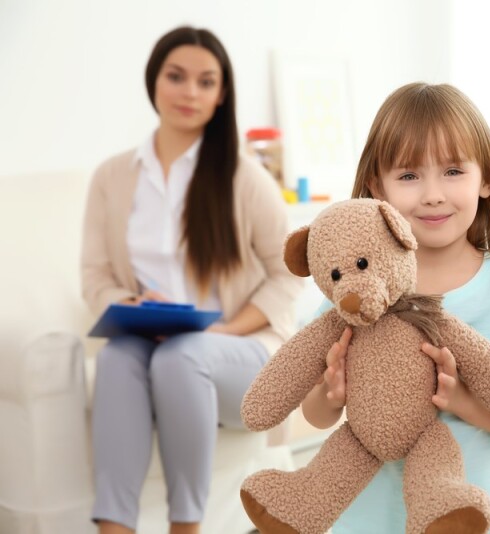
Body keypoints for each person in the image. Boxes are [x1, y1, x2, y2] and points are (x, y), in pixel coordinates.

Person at [300, 82, 490, 533]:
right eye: (409, 176)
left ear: (487, 178)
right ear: (378, 185)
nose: (433, 194)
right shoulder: (354, 291)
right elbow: (316, 416)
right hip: (366, 519)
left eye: (454, 171)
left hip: (469, 516)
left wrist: (461, 402)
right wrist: (330, 395)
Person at [80, 26, 302, 534]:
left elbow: (289, 272)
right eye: (176, 77)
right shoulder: (112, 178)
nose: (189, 92)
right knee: (115, 358)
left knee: (184, 354)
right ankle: (113, 528)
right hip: (148, 339)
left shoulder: (244, 179)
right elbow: (94, 275)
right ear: (154, 81)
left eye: (206, 82)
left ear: (221, 94)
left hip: (242, 352)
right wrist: (133, 304)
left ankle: (187, 526)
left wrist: (225, 330)